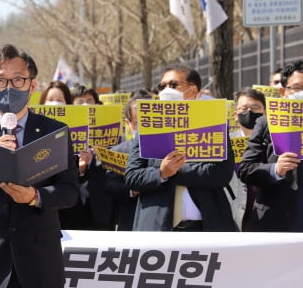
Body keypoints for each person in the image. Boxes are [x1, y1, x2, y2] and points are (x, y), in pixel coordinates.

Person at [0, 44, 79, 288]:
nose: (9, 88)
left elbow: (70, 191)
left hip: (40, 260)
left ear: (32, 85)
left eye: (18, 80)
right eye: (1, 81)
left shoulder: (55, 132)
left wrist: (35, 196)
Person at [124, 65, 236, 231]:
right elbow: (132, 177)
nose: (166, 90)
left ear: (193, 90)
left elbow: (222, 174)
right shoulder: (147, 129)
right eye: (161, 87)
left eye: (173, 85)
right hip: (157, 228)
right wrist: (160, 173)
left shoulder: (213, 126)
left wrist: (174, 170)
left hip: (207, 228)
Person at [238, 60, 303, 231]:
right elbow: (246, 169)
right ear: (283, 91)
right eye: (297, 88)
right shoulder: (265, 124)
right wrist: (276, 170)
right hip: (274, 222)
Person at [40, 80, 91, 229]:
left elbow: (78, 182)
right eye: (50, 100)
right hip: (40, 205)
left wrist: (81, 169)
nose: (55, 104)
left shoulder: (79, 136)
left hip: (69, 210)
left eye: (60, 100)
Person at [101, 90, 150, 231]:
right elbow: (111, 185)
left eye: (147, 122)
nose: (143, 128)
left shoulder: (170, 149)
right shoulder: (119, 151)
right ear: (128, 123)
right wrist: (132, 190)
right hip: (130, 219)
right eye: (138, 123)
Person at [229, 87, 266, 231]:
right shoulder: (224, 144)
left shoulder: (276, 144)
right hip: (234, 217)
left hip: (266, 215)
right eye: (244, 108)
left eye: (255, 107)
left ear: (265, 112)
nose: (249, 112)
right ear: (235, 115)